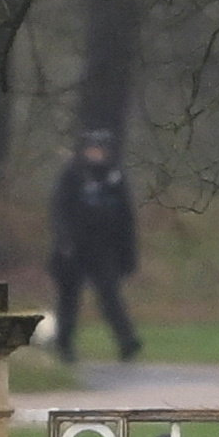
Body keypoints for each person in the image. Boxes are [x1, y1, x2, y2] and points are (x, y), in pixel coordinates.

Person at [45, 131, 141, 365]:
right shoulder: (73, 175)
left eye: (101, 150)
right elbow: (59, 211)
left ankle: (127, 341)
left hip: (104, 248)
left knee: (110, 295)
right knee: (69, 299)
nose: (96, 154)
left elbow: (126, 219)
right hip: (73, 248)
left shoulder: (115, 179)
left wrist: (128, 254)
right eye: (92, 149)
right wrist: (64, 240)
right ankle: (64, 344)